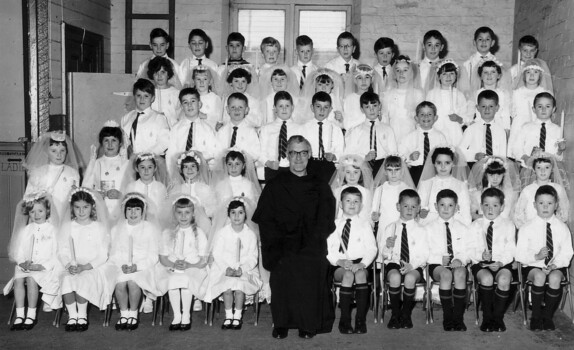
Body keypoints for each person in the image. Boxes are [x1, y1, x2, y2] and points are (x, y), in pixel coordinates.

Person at [253, 135, 336, 339]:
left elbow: (326, 219)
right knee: (283, 269)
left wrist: (312, 240)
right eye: (293, 153)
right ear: (287, 155)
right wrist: (280, 241)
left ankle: (307, 324)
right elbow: (265, 218)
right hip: (282, 245)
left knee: (310, 267)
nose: (298, 158)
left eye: (303, 153)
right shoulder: (275, 185)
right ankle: (281, 323)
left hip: (311, 244)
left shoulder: (320, 185)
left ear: (310, 155)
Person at [516, 185, 573, 331]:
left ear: (556, 205)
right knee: (540, 276)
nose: (545, 207)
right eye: (541, 203)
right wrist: (537, 257)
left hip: (555, 266)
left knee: (555, 278)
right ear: (535, 205)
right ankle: (535, 316)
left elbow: (567, 252)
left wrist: (555, 265)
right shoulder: (526, 228)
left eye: (550, 203)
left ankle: (547, 316)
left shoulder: (562, 228)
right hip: (532, 265)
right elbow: (520, 255)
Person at [58, 188, 115, 332]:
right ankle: (72, 316)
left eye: (85, 207)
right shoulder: (68, 226)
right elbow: (62, 251)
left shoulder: (99, 227)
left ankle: (82, 315)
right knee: (67, 279)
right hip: (72, 264)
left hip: (93, 266)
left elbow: (103, 255)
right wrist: (68, 264)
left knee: (83, 279)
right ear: (72, 208)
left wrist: (85, 267)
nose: (81, 211)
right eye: (77, 207)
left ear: (92, 207)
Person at [5, 193, 61, 330]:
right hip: (27, 264)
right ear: (28, 213)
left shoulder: (53, 230)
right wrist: (22, 262)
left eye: (40, 211)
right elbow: (18, 251)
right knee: (18, 278)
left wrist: (43, 266)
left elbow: (57, 254)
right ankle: (19, 315)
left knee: (31, 279)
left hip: (45, 268)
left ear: (47, 211)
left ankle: (31, 314)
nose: (36, 215)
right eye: (32, 211)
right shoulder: (26, 230)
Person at [205, 198, 262, 330]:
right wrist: (227, 268)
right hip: (224, 268)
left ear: (245, 215)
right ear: (228, 215)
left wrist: (242, 269)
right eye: (233, 213)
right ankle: (228, 315)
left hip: (245, 269)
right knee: (227, 287)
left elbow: (253, 257)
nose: (237, 216)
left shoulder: (250, 234)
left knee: (239, 286)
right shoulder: (223, 233)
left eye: (240, 212)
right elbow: (218, 254)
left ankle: (237, 316)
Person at [327, 186, 377, 334]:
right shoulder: (333, 224)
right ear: (341, 204)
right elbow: (328, 249)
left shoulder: (365, 224)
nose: (352, 204)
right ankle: (345, 319)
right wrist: (339, 261)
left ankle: (360, 320)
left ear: (361, 205)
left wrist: (362, 264)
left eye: (356, 201)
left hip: (360, 262)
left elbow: (372, 248)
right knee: (348, 275)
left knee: (360, 274)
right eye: (348, 200)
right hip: (339, 264)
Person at [155, 194, 209, 331]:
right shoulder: (168, 233)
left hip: (194, 268)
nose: (183, 216)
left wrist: (190, 265)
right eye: (179, 213)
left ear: (193, 214)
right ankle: (177, 315)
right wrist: (173, 264)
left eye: (187, 213)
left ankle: (186, 315)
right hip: (171, 267)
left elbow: (204, 259)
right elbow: (163, 258)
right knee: (173, 280)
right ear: (174, 214)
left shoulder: (199, 233)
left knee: (186, 280)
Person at [109, 193, 160, 331]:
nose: (133, 213)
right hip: (122, 265)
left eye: (137, 209)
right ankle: (124, 314)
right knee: (120, 283)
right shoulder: (116, 229)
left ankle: (133, 313)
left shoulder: (150, 228)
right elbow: (113, 253)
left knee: (133, 282)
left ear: (143, 211)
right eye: (129, 209)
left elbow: (154, 255)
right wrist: (122, 265)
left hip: (144, 266)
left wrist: (137, 266)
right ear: (124, 211)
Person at [378, 189, 428, 329]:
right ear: (398, 207)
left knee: (410, 279)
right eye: (405, 206)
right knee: (394, 277)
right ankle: (395, 314)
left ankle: (406, 314)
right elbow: (384, 256)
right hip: (394, 263)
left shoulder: (421, 230)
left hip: (414, 265)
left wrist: (412, 265)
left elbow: (424, 253)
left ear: (418, 209)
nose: (409, 210)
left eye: (413, 207)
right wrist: (387, 247)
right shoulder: (390, 228)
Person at [469, 188, 516, 332]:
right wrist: (481, 255)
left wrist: (501, 262)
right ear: (481, 206)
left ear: (502, 207)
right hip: (481, 264)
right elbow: (470, 249)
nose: (490, 209)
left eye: (495, 205)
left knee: (504, 280)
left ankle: (497, 318)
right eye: (486, 205)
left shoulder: (508, 225)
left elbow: (511, 250)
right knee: (487, 279)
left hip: (502, 263)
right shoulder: (475, 226)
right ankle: (487, 318)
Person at [426, 189, 472, 331]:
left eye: (450, 205)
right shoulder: (428, 228)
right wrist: (439, 259)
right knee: (446, 275)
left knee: (460, 274)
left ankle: (458, 318)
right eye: (442, 205)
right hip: (436, 265)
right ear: (435, 206)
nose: (446, 209)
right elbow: (423, 253)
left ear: (457, 207)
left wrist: (460, 259)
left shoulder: (463, 228)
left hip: (457, 263)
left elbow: (468, 250)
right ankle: (448, 316)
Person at [23, 130, 82, 218]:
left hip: (64, 215)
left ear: (67, 151)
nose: (59, 155)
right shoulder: (38, 173)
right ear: (46, 152)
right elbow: (28, 197)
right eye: (53, 151)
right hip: (44, 217)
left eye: (62, 150)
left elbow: (76, 199)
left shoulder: (72, 173)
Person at [165, 88, 220, 177]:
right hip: (180, 172)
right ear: (182, 107)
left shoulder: (207, 129)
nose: (189, 105)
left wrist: (197, 155)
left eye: (193, 101)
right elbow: (170, 154)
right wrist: (171, 174)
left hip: (201, 172)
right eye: (185, 102)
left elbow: (213, 152)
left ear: (199, 104)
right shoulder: (176, 129)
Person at [83, 121, 130, 220]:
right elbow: (87, 187)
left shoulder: (126, 164)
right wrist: (96, 194)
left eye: (114, 140)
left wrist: (121, 195)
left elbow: (132, 189)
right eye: (106, 140)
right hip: (101, 210)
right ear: (101, 143)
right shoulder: (96, 163)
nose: (110, 144)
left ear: (120, 143)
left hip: (120, 209)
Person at [344, 91, 398, 177]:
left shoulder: (387, 129)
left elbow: (393, 152)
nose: (371, 109)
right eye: (367, 107)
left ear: (379, 106)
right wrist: (364, 158)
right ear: (362, 109)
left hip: (382, 167)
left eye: (374, 106)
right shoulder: (356, 130)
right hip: (362, 167)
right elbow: (348, 154)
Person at [508, 60, 553, 158]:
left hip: (536, 124)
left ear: (540, 75)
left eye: (535, 72)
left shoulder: (544, 92)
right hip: (519, 125)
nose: (532, 76)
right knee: (518, 152)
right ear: (523, 75)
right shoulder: (516, 93)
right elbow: (512, 112)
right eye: (528, 72)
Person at [418, 146, 471, 225]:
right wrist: (421, 214)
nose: (443, 166)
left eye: (447, 163)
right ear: (434, 164)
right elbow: (418, 212)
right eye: (439, 163)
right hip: (430, 226)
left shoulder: (461, 185)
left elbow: (466, 215)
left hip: (454, 225)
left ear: (453, 164)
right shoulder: (425, 184)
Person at [399, 101, 447, 186]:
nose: (426, 117)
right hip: (416, 172)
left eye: (429, 114)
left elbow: (445, 155)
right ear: (416, 118)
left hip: (435, 171)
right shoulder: (409, 137)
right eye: (422, 114)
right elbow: (400, 155)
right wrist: (409, 157)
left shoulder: (440, 137)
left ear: (435, 118)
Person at [514, 155, 569, 228]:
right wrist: (529, 228)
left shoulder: (558, 189)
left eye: (547, 167)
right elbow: (519, 214)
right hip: (532, 230)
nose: (543, 171)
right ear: (534, 169)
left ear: (552, 169)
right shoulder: (527, 190)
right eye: (539, 167)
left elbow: (564, 212)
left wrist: (553, 226)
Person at [301, 91, 345, 183]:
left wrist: (334, 156)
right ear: (312, 108)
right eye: (318, 106)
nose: (322, 110)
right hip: (309, 165)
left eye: (326, 107)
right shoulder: (304, 128)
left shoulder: (336, 129)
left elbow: (341, 150)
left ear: (330, 109)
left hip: (327, 166)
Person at [425, 59, 471, 146]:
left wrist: (458, 118)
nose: (448, 77)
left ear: (456, 76)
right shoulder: (432, 94)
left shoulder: (459, 95)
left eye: (452, 74)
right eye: (444, 74)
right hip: (437, 128)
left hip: (454, 131)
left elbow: (465, 115)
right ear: (438, 76)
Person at [459, 90, 508, 168]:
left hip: (494, 169)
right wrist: (474, 155)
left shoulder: (501, 131)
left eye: (491, 106)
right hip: (475, 168)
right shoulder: (471, 129)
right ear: (478, 108)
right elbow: (460, 151)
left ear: (497, 108)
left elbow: (502, 156)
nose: (487, 109)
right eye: (483, 106)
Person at [259, 91, 301, 182]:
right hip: (272, 168)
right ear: (274, 108)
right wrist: (268, 163)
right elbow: (261, 151)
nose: (284, 109)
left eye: (287, 106)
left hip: (293, 168)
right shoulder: (266, 129)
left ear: (292, 108)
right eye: (281, 106)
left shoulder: (299, 129)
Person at [121, 79, 170, 156]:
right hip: (128, 161)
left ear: (152, 98)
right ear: (134, 97)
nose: (142, 99)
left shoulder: (158, 118)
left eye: (146, 96)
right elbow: (122, 142)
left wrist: (146, 156)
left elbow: (165, 142)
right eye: (138, 95)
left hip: (150, 162)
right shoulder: (126, 118)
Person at [513, 92, 565, 163]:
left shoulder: (558, 130)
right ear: (534, 109)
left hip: (548, 170)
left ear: (553, 109)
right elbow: (516, 148)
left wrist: (560, 150)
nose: (544, 109)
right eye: (540, 106)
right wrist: (526, 158)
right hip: (528, 168)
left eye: (548, 106)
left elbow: (558, 158)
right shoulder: (526, 128)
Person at [381, 55, 424, 141]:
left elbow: (421, 118)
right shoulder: (388, 94)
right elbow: (385, 118)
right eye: (398, 70)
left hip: (411, 133)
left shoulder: (418, 94)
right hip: (392, 133)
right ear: (394, 73)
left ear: (411, 72)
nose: (401, 73)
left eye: (405, 70)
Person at [371, 155, 415, 233]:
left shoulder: (407, 189)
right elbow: (374, 210)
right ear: (385, 171)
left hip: (402, 226)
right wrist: (375, 217)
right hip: (384, 226)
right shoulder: (380, 189)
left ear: (402, 170)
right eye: (390, 170)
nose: (393, 173)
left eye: (397, 170)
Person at [468, 156, 521, 221]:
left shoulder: (511, 194)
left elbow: (513, 216)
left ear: (504, 175)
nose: (495, 179)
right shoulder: (478, 193)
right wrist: (485, 218)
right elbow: (472, 213)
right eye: (491, 175)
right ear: (486, 175)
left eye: (499, 175)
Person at [216, 92, 262, 162]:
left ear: (246, 110)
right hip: (225, 167)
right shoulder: (222, 131)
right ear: (227, 109)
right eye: (233, 107)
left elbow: (256, 153)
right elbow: (217, 151)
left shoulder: (250, 131)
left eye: (240, 107)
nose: (236, 110)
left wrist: (243, 158)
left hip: (245, 167)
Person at [330, 154, 374, 223]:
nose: (352, 176)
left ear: (360, 173)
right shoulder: (337, 191)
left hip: (360, 225)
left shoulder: (366, 192)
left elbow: (367, 213)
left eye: (355, 172)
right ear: (343, 173)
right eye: (348, 172)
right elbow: (333, 213)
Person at [461, 26, 498, 95]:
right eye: (480, 39)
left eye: (487, 39)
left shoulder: (497, 64)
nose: (484, 42)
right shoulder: (467, 64)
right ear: (474, 42)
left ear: (492, 43)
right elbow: (464, 88)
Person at [147, 56, 182, 128]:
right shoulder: (148, 93)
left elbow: (180, 117)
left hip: (171, 132)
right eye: (156, 72)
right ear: (152, 75)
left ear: (168, 74)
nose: (159, 76)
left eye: (162, 72)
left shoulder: (176, 94)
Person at [342, 64, 378, 130]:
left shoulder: (375, 98)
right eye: (360, 78)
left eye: (367, 77)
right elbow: (347, 124)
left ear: (371, 80)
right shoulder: (350, 99)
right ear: (355, 80)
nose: (363, 81)